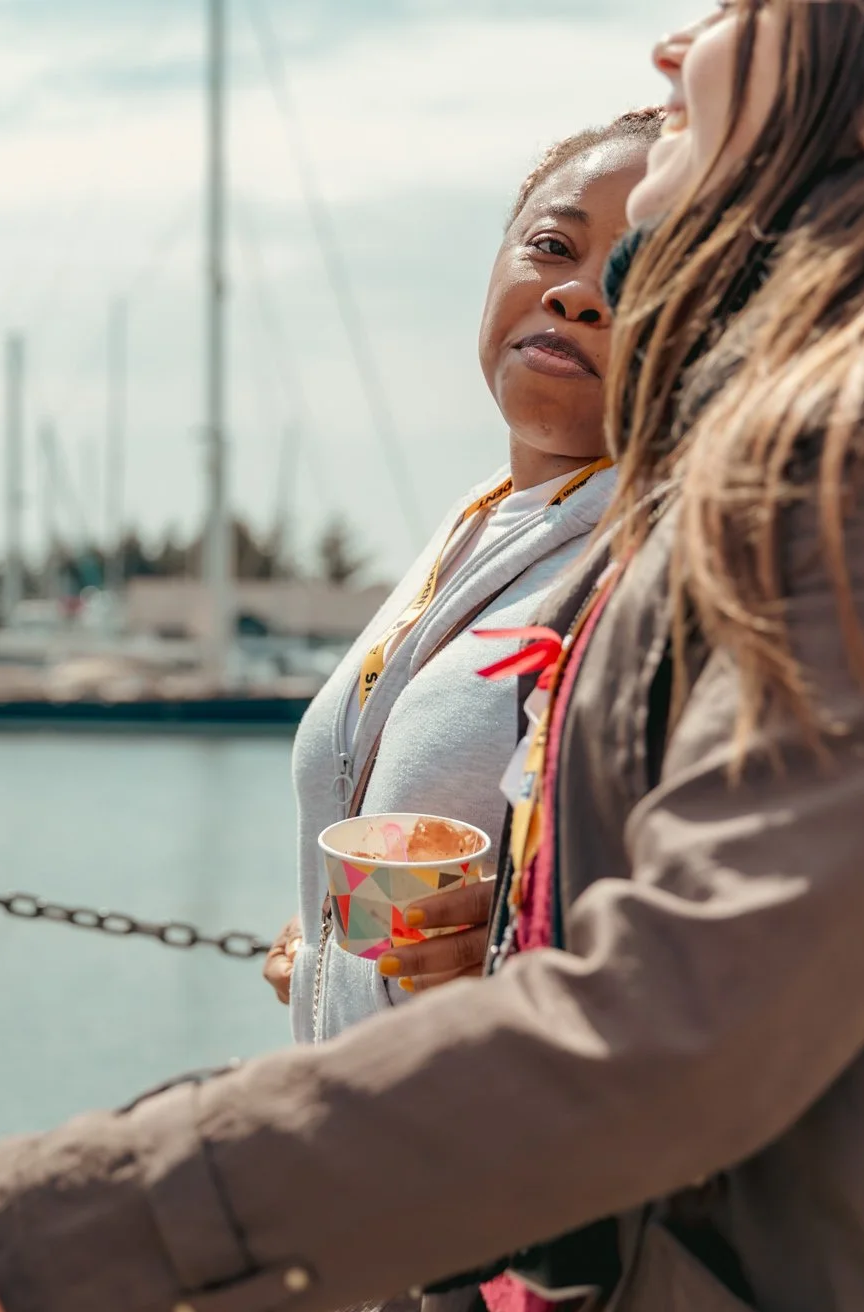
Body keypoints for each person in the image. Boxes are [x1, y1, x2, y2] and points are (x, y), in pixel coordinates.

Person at [0, 2, 864, 1312]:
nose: (671, 47)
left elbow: (672, 1029)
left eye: (741, 10)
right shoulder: (800, 461)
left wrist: (115, 1215)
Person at [268, 110, 660, 1042]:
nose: (576, 295)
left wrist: (519, 938)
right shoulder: (480, 518)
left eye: (638, 273)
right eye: (552, 244)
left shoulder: (665, 552)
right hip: (366, 1147)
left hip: (500, 1161)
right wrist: (327, 955)